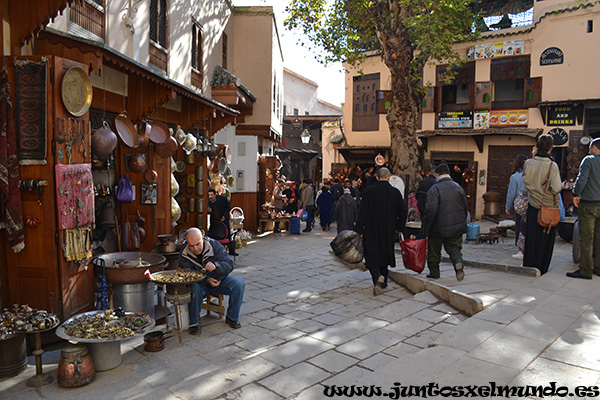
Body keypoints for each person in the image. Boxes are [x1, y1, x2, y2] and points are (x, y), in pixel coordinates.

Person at [179, 228, 245, 335]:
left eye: (198, 244)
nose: (195, 248)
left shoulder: (214, 245)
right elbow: (187, 275)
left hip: (219, 279)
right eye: (192, 246)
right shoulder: (184, 253)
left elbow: (229, 265)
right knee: (194, 288)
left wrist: (216, 267)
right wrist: (206, 280)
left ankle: (232, 317)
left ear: (203, 239)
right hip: (200, 284)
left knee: (239, 284)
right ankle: (194, 323)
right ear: (186, 242)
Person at [356, 167, 407, 295]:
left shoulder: (368, 192)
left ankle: (377, 276)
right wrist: (399, 227)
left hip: (371, 228)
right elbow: (403, 210)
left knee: (371, 254)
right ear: (389, 178)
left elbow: (362, 212)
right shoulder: (395, 193)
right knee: (385, 253)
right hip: (388, 229)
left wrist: (359, 228)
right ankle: (383, 282)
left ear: (377, 177)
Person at [421, 163, 468, 281]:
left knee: (434, 252)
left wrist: (426, 228)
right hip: (456, 227)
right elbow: (465, 208)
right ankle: (458, 263)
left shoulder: (434, 189)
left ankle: (434, 273)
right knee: (454, 248)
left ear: (437, 174)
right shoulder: (458, 187)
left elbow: (430, 210)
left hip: (437, 228)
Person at [522, 134, 561, 275]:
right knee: (545, 239)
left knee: (531, 237)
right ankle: (541, 267)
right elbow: (556, 188)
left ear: (537, 147)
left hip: (533, 204)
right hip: (547, 207)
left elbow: (525, 181)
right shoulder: (552, 166)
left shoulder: (528, 163)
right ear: (550, 149)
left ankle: (529, 265)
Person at [567, 138, 600, 279]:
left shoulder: (589, 160)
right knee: (599, 238)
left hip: (589, 203)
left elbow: (582, 179)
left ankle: (586, 270)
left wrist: (575, 193)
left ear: (594, 147)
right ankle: (598, 268)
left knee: (586, 237)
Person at [505, 154, 527, 253]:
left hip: (520, 205)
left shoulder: (515, 177)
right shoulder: (528, 175)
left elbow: (511, 193)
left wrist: (508, 206)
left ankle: (519, 246)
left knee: (519, 225)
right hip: (531, 204)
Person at [206, 188, 237, 256]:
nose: (210, 197)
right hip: (215, 221)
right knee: (213, 235)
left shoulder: (222, 199)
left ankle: (231, 251)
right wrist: (210, 211)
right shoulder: (208, 202)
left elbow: (228, 207)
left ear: (215, 195)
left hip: (224, 219)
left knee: (227, 234)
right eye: (209, 195)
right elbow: (210, 212)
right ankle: (213, 252)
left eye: (211, 195)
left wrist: (224, 216)